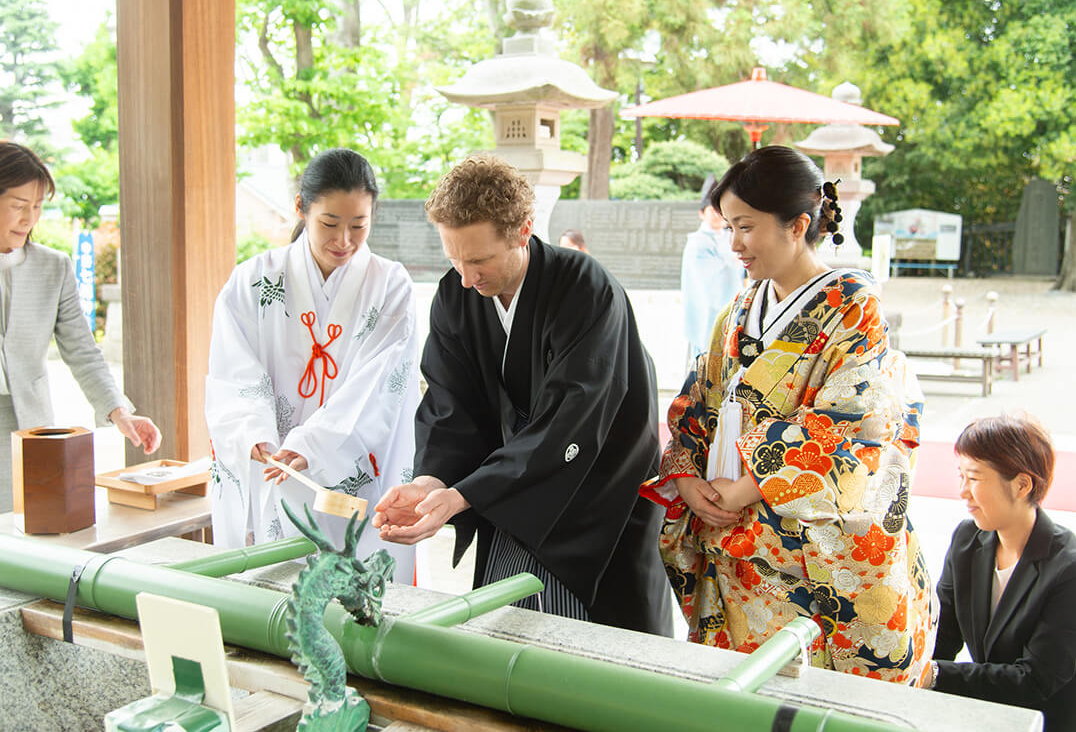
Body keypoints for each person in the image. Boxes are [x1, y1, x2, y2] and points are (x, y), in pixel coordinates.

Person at [642, 145, 934, 683]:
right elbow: (698, 400)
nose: (734, 244)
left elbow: (850, 424)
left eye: (746, 227)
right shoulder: (738, 310)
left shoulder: (853, 307)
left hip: (804, 548)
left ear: (797, 225)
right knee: (738, 686)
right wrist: (687, 479)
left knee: (809, 693)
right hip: (731, 541)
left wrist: (745, 489)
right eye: (730, 227)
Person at [373, 154, 672, 634]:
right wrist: (433, 481)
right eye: (453, 259)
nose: (466, 277)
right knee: (505, 635)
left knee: (603, 648)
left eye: (479, 260)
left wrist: (465, 494)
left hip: (599, 493)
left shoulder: (585, 289)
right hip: (514, 486)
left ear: (523, 231)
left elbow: (572, 419)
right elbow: (451, 406)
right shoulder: (456, 295)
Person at [0, 141, 161, 530]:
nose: (29, 218)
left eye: (38, 206)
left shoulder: (54, 266)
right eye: (18, 205)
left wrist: (120, 412)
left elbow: (82, 349)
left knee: (27, 546)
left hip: (30, 433)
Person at [206, 148, 418, 582]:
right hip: (275, 462)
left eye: (358, 225)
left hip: (351, 469)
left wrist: (314, 444)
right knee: (274, 594)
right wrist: (253, 432)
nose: (344, 240)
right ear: (301, 208)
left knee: (354, 588)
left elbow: (379, 384)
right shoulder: (252, 281)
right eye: (329, 224)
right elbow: (233, 370)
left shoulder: (390, 285)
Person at [932, 414, 1076, 731]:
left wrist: (932, 675)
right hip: (1003, 713)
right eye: (961, 476)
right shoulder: (966, 540)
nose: (962, 491)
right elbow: (942, 634)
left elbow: (1035, 680)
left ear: (1022, 484)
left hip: (1064, 722)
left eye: (974, 478)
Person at [681, 175, 741, 360]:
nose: (716, 215)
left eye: (720, 211)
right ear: (702, 213)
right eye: (711, 210)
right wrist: (732, 263)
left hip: (731, 308)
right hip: (706, 311)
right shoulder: (697, 243)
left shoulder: (730, 237)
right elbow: (706, 278)